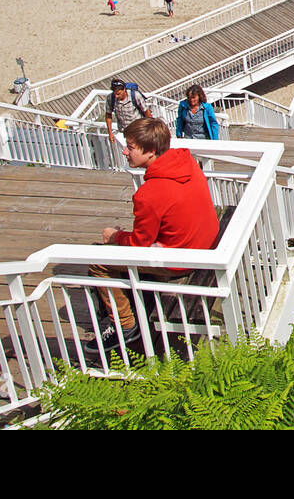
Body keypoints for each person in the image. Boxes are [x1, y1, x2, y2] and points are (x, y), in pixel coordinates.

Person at [85, 118, 219, 355]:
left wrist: (115, 236)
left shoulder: (150, 193)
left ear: (151, 151)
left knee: (97, 262)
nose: (125, 151)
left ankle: (124, 325)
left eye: (131, 147)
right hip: (205, 242)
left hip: (182, 261)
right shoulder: (185, 161)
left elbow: (139, 244)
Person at [105, 77, 151, 144]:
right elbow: (108, 115)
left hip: (139, 130)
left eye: (118, 94)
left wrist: (150, 129)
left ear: (124, 90)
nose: (116, 96)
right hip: (125, 132)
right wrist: (110, 133)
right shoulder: (110, 98)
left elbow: (147, 112)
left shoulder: (135, 95)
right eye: (114, 94)